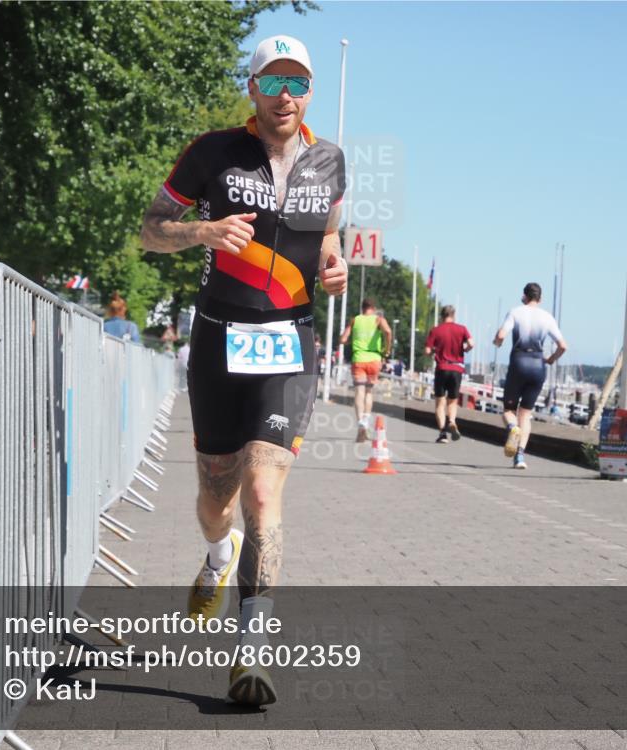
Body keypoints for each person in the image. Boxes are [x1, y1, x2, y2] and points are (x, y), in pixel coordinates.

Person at [139, 34, 346, 706]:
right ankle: (216, 554)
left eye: (297, 83)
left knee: (263, 493)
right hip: (219, 342)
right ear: (252, 89)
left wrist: (335, 266)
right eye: (272, 81)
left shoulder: (329, 163)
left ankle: (251, 654)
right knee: (215, 500)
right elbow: (149, 229)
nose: (285, 95)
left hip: (290, 345)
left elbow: (330, 239)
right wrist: (202, 231)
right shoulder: (213, 153)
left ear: (308, 93)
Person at [492, 283, 567, 469]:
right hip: (538, 366)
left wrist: (497, 342)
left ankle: (512, 428)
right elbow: (563, 346)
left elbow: (501, 334)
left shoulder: (516, 312)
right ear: (540, 299)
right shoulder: (547, 317)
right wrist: (550, 359)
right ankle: (519, 457)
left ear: (524, 296)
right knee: (525, 414)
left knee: (509, 411)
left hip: (519, 363)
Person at [339, 299, 392, 442]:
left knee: (359, 392)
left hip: (358, 358)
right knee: (369, 392)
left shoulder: (355, 320)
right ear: (373, 308)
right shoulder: (378, 319)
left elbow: (343, 339)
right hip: (374, 359)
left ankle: (360, 423)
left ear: (362, 308)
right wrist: (387, 349)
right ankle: (366, 419)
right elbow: (388, 331)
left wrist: (351, 341)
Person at [425, 305, 473, 443]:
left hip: (442, 368)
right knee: (452, 401)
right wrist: (464, 349)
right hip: (456, 369)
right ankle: (451, 421)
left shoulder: (435, 330)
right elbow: (471, 343)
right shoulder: (462, 329)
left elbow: (427, 351)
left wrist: (436, 350)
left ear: (441, 316)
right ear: (454, 315)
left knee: (440, 402)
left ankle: (442, 434)